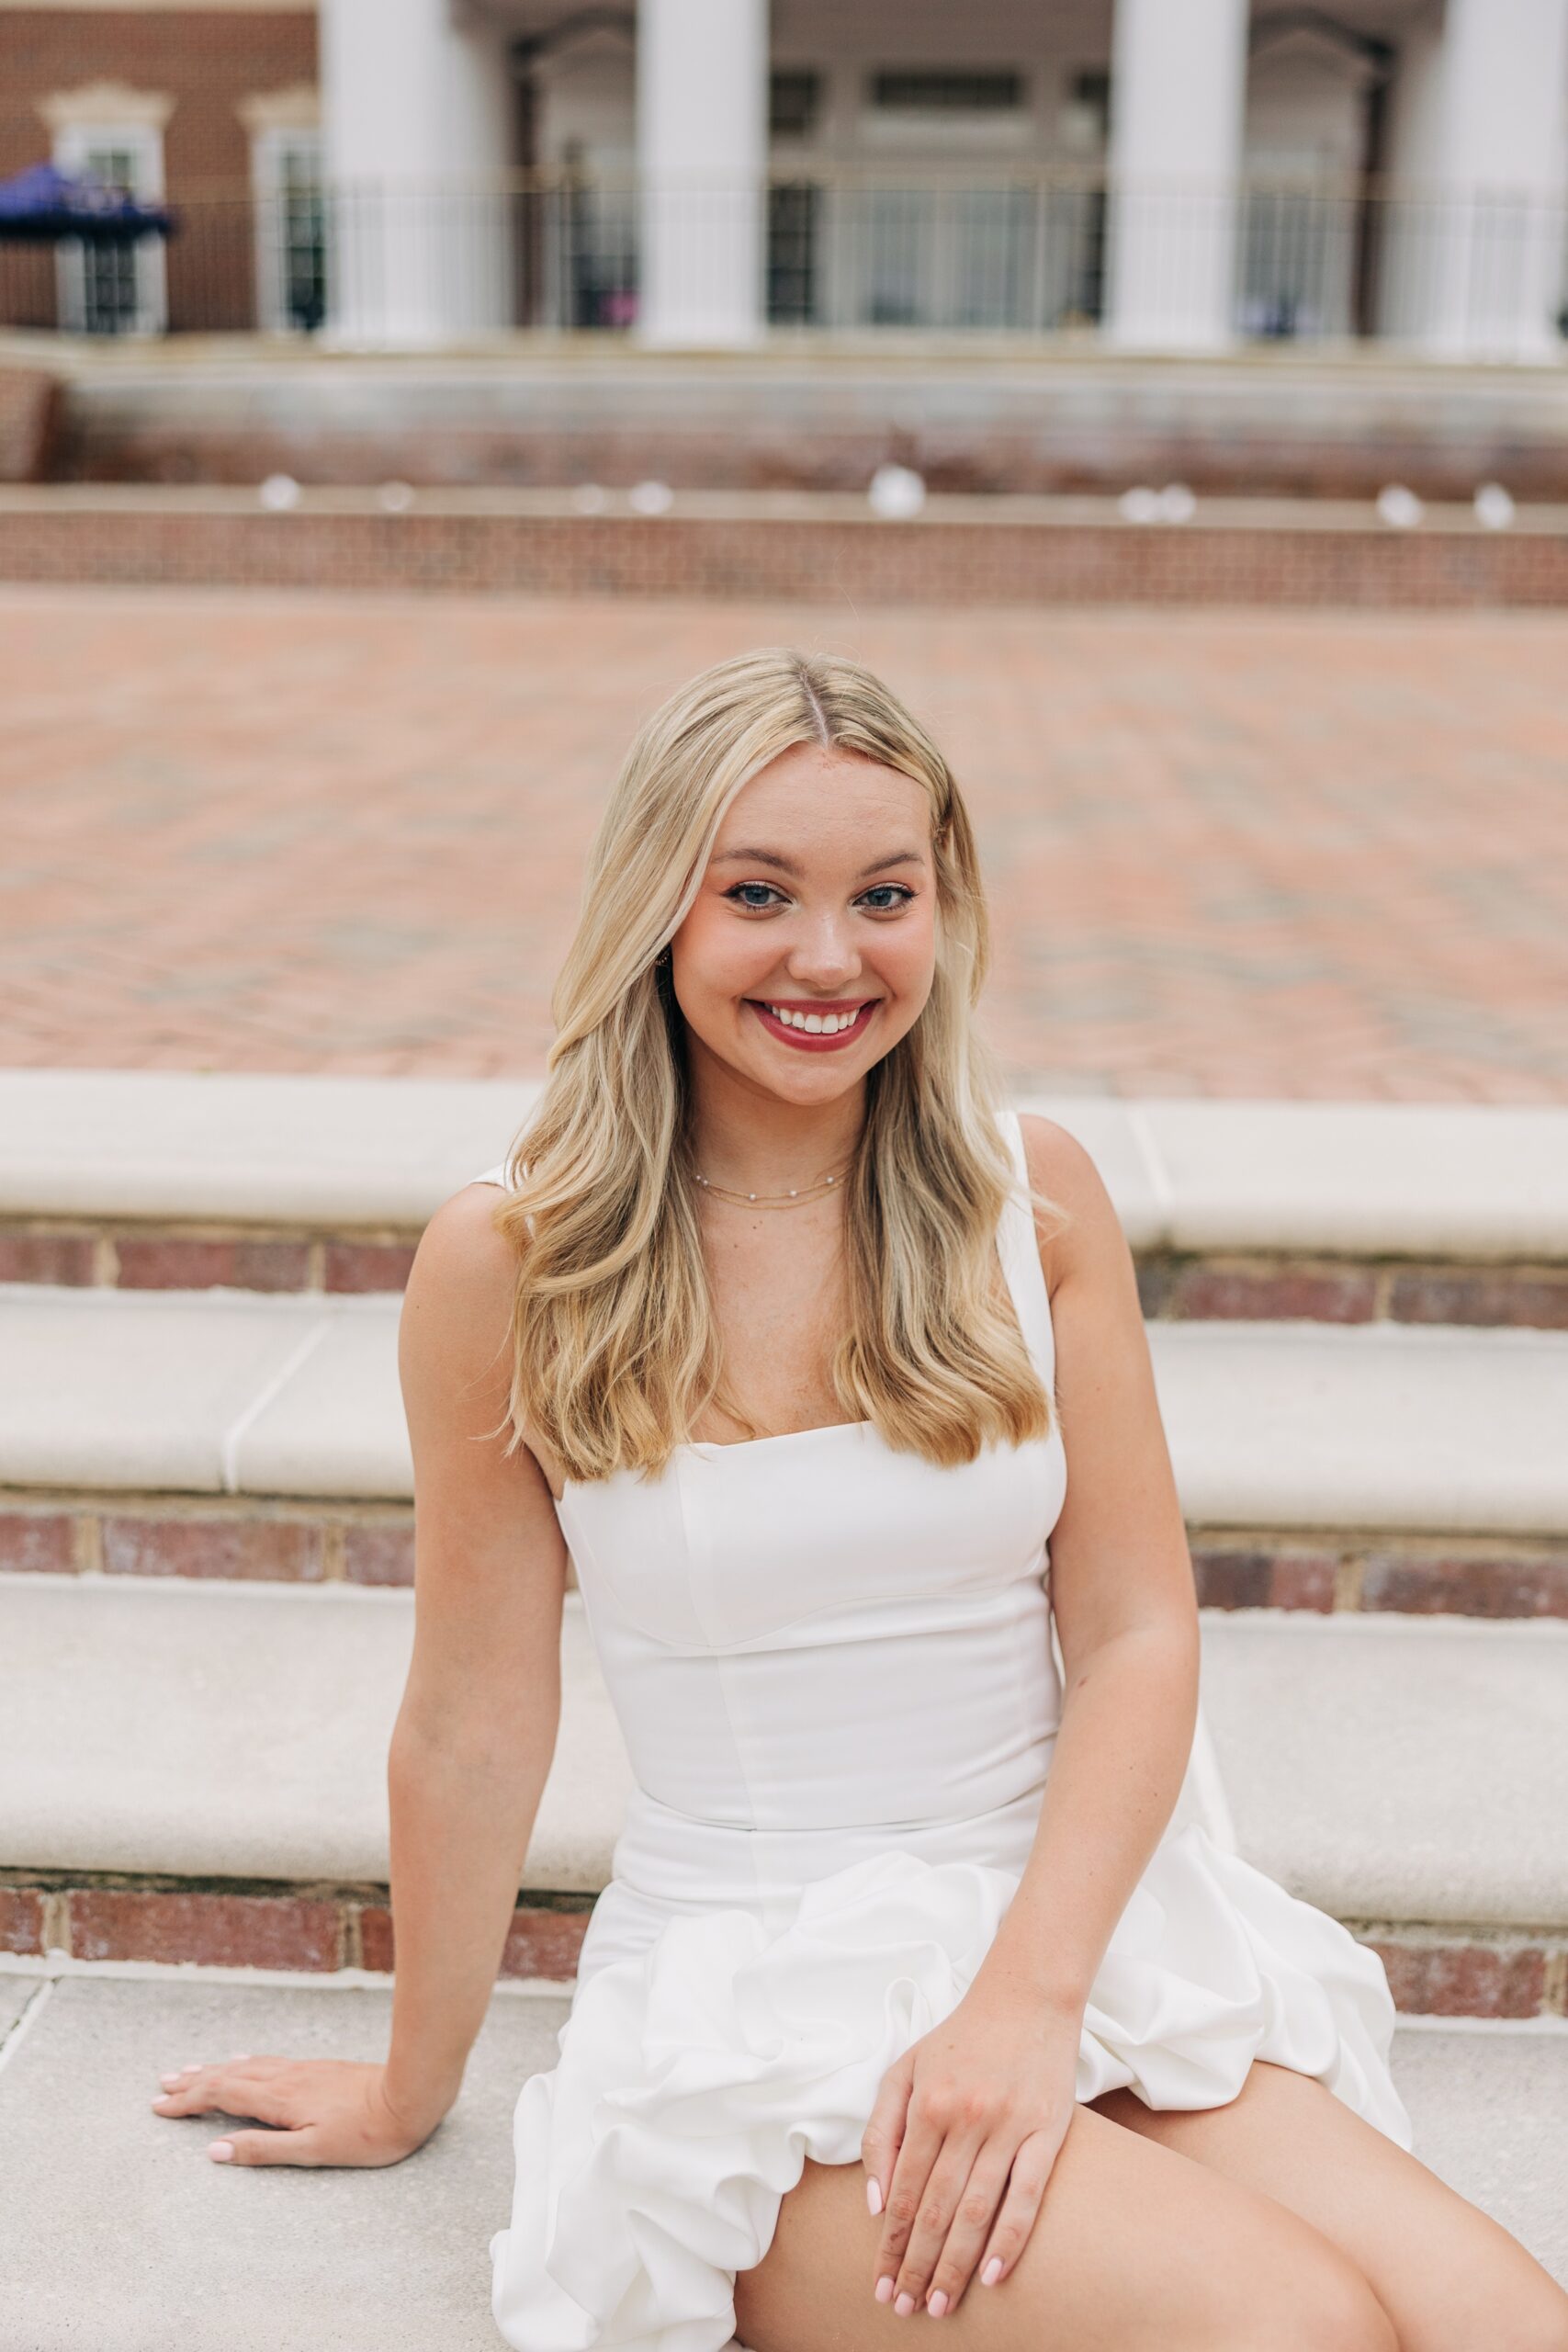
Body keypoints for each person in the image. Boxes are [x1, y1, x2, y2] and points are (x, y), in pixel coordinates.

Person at [152, 650, 1568, 2352]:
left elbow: (1133, 1632)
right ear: (656, 907)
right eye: (761, 893)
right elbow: (471, 1712)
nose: (830, 957)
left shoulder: (1025, 1200)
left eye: (883, 895)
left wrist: (1028, 2002)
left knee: (1500, 2322)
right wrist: (410, 2080)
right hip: (756, 1996)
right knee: (1291, 2327)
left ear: (942, 909)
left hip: (1061, 1928)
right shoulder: (514, 1260)